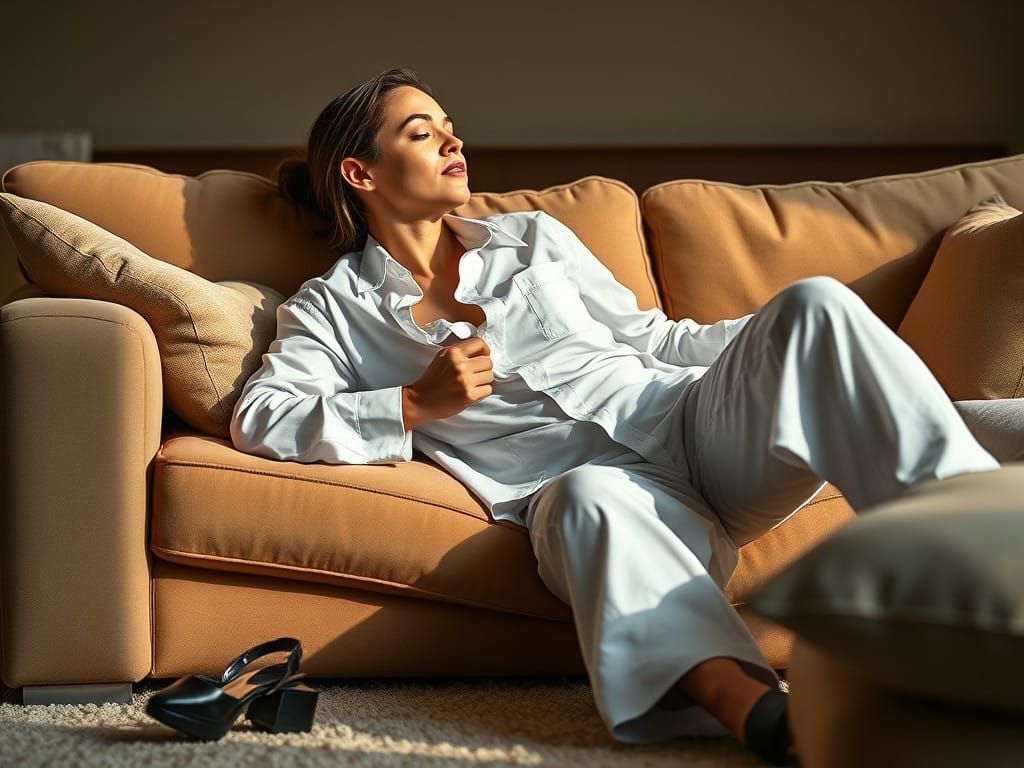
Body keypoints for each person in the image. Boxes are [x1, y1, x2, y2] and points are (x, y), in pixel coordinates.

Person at [230, 67, 1004, 765]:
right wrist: (412, 404)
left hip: (691, 423)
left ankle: (995, 573)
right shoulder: (333, 309)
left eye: (449, 125)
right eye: (421, 131)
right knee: (586, 498)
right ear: (360, 172)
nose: (453, 141)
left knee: (813, 305)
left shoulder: (532, 238)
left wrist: (785, 346)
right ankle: (763, 717)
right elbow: (262, 415)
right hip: (594, 490)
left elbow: (654, 340)